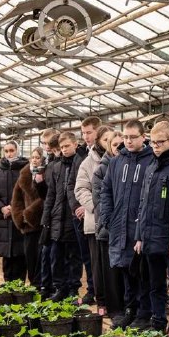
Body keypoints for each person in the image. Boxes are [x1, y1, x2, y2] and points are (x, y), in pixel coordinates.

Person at [134, 121, 169, 331]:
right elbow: (143, 204)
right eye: (153, 142)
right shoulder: (150, 168)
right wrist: (140, 236)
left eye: (160, 142)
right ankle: (158, 322)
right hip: (150, 237)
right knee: (154, 283)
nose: (156, 146)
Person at [100, 120, 155, 329]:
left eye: (133, 137)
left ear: (143, 137)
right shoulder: (117, 161)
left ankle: (144, 313)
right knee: (125, 270)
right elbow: (106, 190)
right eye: (126, 137)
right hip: (119, 225)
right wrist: (108, 217)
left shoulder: (151, 160)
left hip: (140, 227)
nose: (128, 141)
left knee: (141, 271)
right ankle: (130, 310)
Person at [76, 125, 114, 313]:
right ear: (99, 141)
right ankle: (102, 302)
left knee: (114, 265)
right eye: (105, 140)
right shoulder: (88, 162)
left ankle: (117, 303)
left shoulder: (120, 159)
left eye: (111, 139)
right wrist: (97, 206)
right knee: (98, 265)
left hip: (115, 222)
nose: (109, 143)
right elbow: (80, 189)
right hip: (94, 222)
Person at [41, 132, 83, 300]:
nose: (64, 150)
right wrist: (46, 218)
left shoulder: (80, 163)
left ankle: (73, 289)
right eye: (62, 147)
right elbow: (51, 194)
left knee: (74, 256)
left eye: (67, 146)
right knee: (56, 256)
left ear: (75, 144)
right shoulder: (56, 167)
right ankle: (60, 288)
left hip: (73, 216)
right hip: (57, 217)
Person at [93, 130, 126, 319]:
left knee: (126, 272)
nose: (119, 148)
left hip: (126, 230)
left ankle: (127, 308)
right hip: (108, 229)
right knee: (111, 272)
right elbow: (100, 200)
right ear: (108, 147)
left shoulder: (130, 165)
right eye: (115, 145)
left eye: (122, 144)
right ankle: (115, 310)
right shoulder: (102, 169)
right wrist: (111, 222)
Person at [69, 116, 102, 303]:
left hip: (97, 213)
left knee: (99, 259)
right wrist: (77, 206)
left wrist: (91, 206)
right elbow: (74, 185)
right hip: (83, 214)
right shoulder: (81, 155)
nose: (86, 136)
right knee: (88, 257)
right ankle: (92, 290)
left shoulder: (105, 155)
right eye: (83, 133)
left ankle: (100, 293)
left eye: (89, 132)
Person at [0, 141, 28, 282]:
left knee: (20, 254)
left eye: (11, 150)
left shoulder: (25, 171)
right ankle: (7, 285)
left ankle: (20, 286)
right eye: (6, 151)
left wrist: (15, 208)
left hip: (20, 217)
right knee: (7, 256)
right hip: (3, 218)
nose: (9, 154)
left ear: (17, 150)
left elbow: (28, 192)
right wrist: (1, 207)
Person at [11, 147, 46, 286]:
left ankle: (42, 285)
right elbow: (16, 199)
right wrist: (21, 216)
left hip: (42, 221)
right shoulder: (24, 174)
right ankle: (34, 284)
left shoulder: (46, 173)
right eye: (33, 157)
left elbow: (46, 197)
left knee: (41, 257)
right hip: (28, 225)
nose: (35, 160)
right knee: (30, 256)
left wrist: (30, 213)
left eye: (38, 157)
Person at [37, 129, 59, 298]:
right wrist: (38, 182)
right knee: (46, 252)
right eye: (44, 143)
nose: (47, 147)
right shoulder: (47, 162)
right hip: (49, 213)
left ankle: (54, 287)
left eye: (49, 143)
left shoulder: (58, 161)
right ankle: (46, 286)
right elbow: (47, 193)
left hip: (57, 214)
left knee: (55, 254)